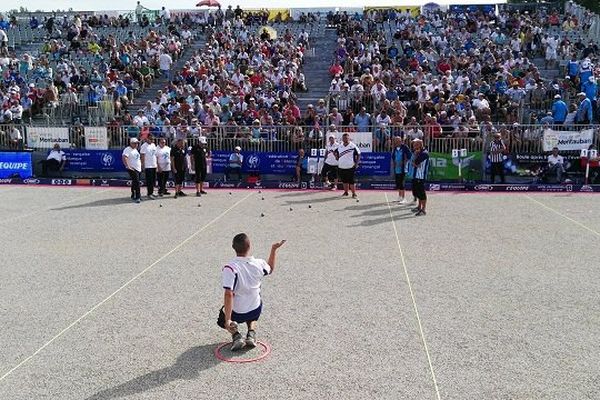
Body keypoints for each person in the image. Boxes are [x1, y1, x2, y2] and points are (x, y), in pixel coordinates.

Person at [219, 233, 286, 351]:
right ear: (249, 246)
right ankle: (251, 332)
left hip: (237, 314)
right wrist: (273, 249)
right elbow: (270, 268)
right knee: (255, 302)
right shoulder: (259, 263)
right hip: (255, 309)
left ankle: (236, 335)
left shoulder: (229, 268)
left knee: (222, 316)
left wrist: (228, 319)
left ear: (233, 247)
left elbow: (228, 294)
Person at [335, 133, 361, 198]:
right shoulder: (340, 146)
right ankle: (346, 192)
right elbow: (335, 152)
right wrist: (337, 157)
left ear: (349, 138)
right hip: (341, 166)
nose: (345, 139)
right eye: (344, 138)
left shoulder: (353, 146)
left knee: (351, 181)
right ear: (342, 139)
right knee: (344, 181)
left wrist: (356, 163)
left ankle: (354, 193)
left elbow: (359, 154)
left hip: (350, 166)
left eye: (346, 138)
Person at [410, 139, 429, 216]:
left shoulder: (424, 154)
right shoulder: (419, 153)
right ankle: (419, 206)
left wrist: (414, 161)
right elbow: (414, 164)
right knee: (417, 192)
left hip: (420, 176)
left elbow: (415, 163)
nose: (413, 147)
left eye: (415, 145)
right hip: (416, 175)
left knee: (421, 193)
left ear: (420, 145)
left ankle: (423, 210)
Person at [391, 136, 412, 203]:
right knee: (398, 183)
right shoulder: (394, 148)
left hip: (403, 168)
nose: (397, 142)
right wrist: (394, 163)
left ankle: (404, 198)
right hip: (396, 168)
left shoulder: (405, 147)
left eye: (398, 141)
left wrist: (404, 162)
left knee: (402, 183)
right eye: (396, 141)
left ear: (401, 141)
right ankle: (399, 197)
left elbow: (410, 156)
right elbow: (393, 157)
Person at [122, 138, 142, 203]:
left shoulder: (135, 150)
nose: (136, 144)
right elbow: (124, 157)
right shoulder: (127, 149)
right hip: (132, 168)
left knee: (135, 182)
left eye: (137, 143)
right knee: (136, 182)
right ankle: (138, 196)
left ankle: (133, 194)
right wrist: (128, 166)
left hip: (138, 168)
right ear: (131, 143)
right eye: (135, 143)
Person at [140, 134, 158, 199]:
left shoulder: (153, 145)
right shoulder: (144, 146)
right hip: (148, 166)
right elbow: (142, 156)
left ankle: (152, 192)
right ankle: (149, 193)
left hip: (154, 165)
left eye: (153, 139)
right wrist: (143, 165)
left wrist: (156, 165)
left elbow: (155, 155)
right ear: (147, 138)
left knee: (153, 180)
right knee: (149, 181)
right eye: (151, 139)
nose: (152, 140)